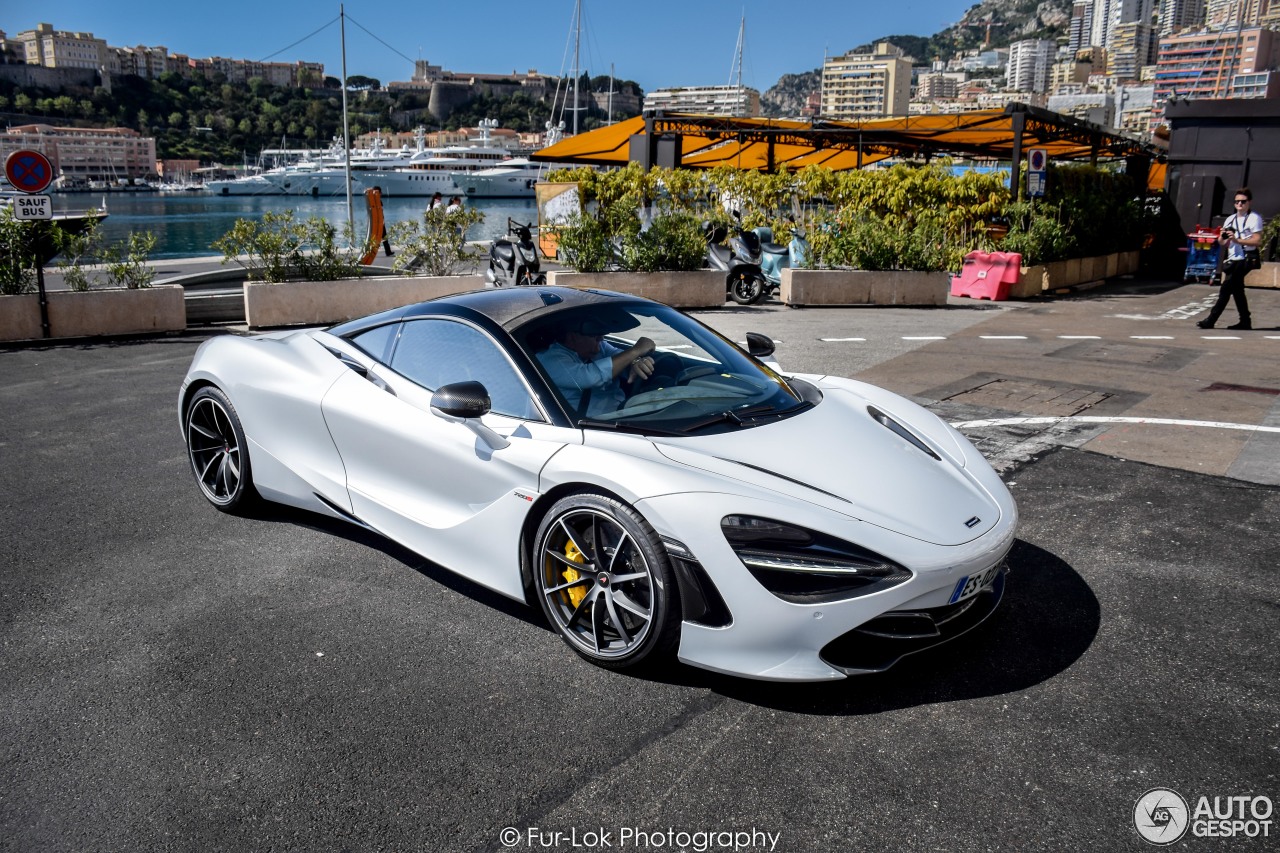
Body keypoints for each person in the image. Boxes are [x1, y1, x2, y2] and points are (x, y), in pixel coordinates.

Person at [536, 314, 657, 418]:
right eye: (595, 337)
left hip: (623, 414)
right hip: (586, 426)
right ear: (572, 337)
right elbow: (590, 377)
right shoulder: (551, 359)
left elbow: (620, 356)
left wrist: (636, 361)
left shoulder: (601, 347)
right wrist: (635, 351)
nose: (601, 341)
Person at [1199, 187, 1263, 330]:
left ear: (1249, 202)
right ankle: (1245, 321)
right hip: (1232, 258)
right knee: (1237, 290)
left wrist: (1238, 240)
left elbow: (1257, 241)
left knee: (1226, 289)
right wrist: (1223, 236)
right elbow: (1223, 243)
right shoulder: (1230, 219)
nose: (1239, 204)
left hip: (1245, 259)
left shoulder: (1254, 218)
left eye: (1243, 201)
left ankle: (1211, 320)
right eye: (1237, 202)